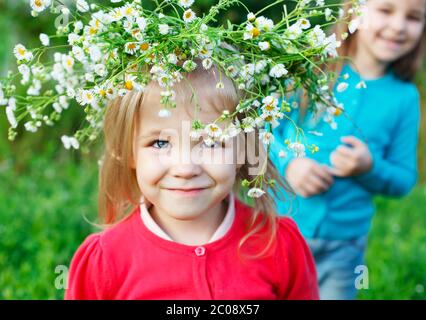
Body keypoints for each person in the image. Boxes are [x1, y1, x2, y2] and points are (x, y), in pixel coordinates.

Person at [64, 61, 319, 300]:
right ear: (129, 151)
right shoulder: (105, 260)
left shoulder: (278, 244)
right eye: (160, 143)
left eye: (210, 142)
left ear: (243, 150)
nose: (185, 168)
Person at [270, 0, 425, 300]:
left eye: (414, 17)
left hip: (346, 247)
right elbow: (263, 128)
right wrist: (290, 163)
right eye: (386, 10)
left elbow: (405, 179)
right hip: (278, 233)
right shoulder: (310, 68)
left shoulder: (405, 97)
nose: (398, 25)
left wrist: (369, 167)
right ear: (353, 10)